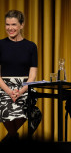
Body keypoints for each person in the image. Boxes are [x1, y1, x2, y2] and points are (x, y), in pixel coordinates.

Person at [0, 10, 41, 142]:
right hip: (4, 85)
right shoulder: (0, 45)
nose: (10, 28)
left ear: (22, 25)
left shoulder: (31, 46)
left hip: (24, 86)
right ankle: (13, 136)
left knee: (28, 108)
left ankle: (10, 137)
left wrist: (21, 91)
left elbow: (33, 75)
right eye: (7, 24)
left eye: (13, 24)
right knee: (6, 108)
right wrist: (9, 91)